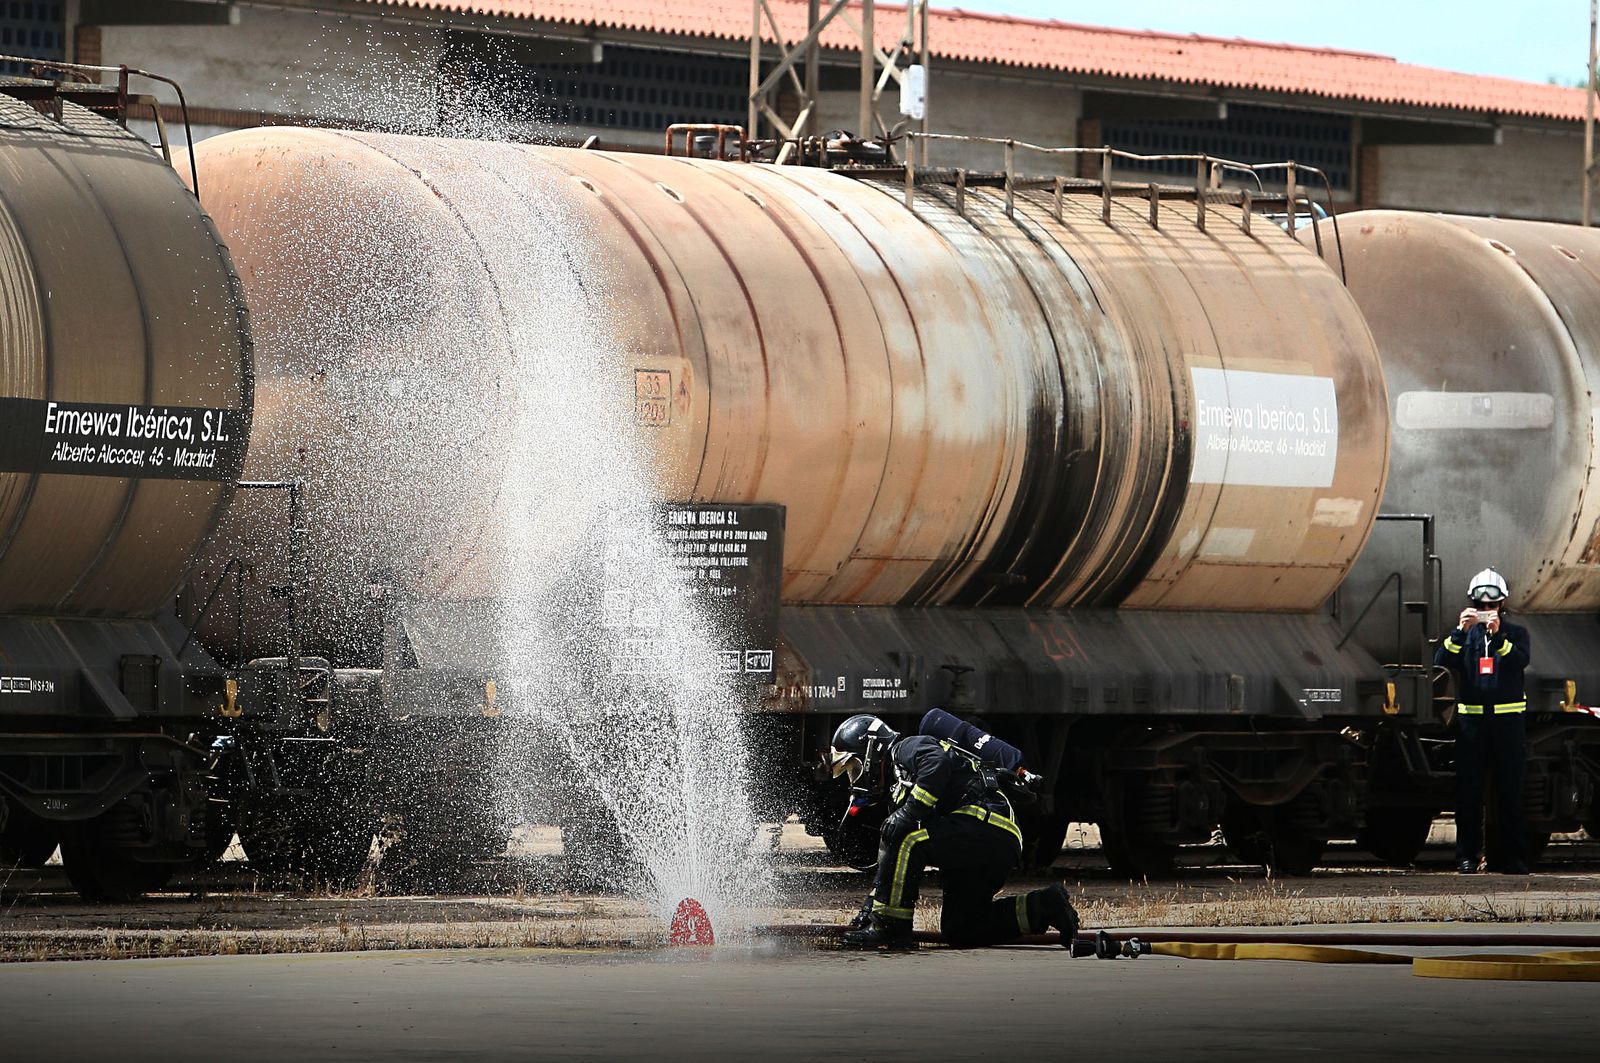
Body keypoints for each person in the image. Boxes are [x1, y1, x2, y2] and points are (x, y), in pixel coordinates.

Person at [827, 714, 1079, 947]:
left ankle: (891, 927)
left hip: (984, 824)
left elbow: (935, 763)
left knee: (908, 839)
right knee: (962, 929)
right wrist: (868, 911)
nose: (855, 779)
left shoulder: (906, 748)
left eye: (854, 768)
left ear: (871, 751)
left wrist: (907, 814)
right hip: (989, 842)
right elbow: (892, 868)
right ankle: (1045, 905)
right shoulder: (900, 785)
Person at [1434, 568, 1532, 875]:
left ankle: (1511, 858)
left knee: (1509, 794)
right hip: (1472, 727)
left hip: (1508, 726)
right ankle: (1467, 857)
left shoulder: (1516, 633)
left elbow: (1519, 661)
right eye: (1481, 605)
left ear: (1502, 605)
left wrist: (1498, 634)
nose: (1486, 610)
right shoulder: (1465, 636)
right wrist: (1459, 632)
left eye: (1492, 605)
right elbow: (1441, 662)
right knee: (1468, 795)